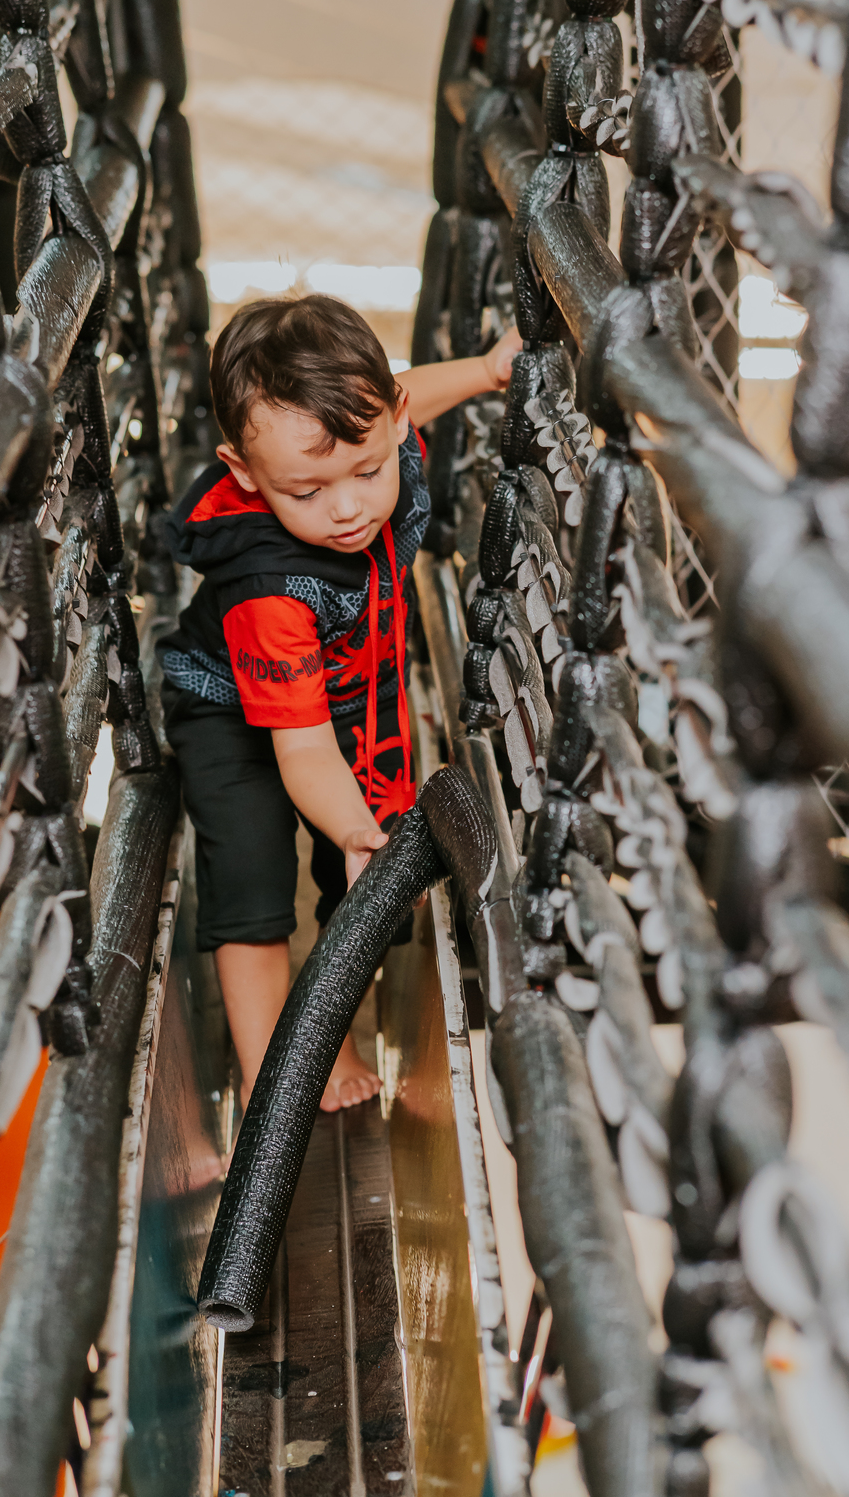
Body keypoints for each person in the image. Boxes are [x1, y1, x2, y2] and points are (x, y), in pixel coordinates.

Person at [159, 292, 521, 1112]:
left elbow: (405, 394)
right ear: (244, 474)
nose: (349, 507)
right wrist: (353, 827)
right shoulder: (271, 592)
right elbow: (304, 752)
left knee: (370, 891)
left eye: (365, 470)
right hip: (235, 712)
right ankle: (267, 1073)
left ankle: (337, 1035)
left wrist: (485, 371)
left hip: (347, 684)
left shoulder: (370, 442)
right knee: (251, 877)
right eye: (308, 490)